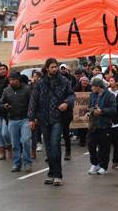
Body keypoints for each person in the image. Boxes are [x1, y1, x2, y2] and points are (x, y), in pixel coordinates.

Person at [28, 58, 76, 186]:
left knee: (55, 144)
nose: (55, 69)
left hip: (58, 117)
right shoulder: (40, 83)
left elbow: (72, 95)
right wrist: (31, 119)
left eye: (56, 67)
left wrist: (66, 103)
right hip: (43, 118)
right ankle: (51, 174)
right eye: (53, 67)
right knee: (48, 147)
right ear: (47, 68)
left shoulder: (64, 81)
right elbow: (34, 101)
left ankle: (58, 175)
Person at [0, 71, 32, 172]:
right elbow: (1, 103)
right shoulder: (7, 91)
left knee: (26, 140)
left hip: (25, 119)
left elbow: (32, 104)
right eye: (10, 80)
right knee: (15, 143)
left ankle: (27, 162)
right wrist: (4, 106)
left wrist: (33, 117)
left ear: (18, 79)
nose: (12, 82)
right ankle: (17, 163)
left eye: (13, 79)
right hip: (12, 119)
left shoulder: (27, 89)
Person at [85, 78, 116, 175]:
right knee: (90, 144)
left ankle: (103, 166)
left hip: (104, 125)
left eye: (93, 86)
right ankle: (95, 163)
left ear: (98, 86)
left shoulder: (109, 96)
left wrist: (102, 111)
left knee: (104, 146)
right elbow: (89, 107)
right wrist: (87, 113)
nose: (92, 88)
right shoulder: (92, 95)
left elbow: (113, 110)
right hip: (93, 125)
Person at [59, 63, 75, 160]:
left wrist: (67, 104)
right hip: (54, 113)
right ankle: (52, 154)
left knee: (65, 133)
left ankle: (68, 151)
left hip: (65, 112)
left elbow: (71, 95)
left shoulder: (66, 82)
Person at [73, 77, 92, 147]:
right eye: (83, 81)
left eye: (86, 81)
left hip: (87, 110)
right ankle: (82, 140)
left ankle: (86, 139)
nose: (85, 82)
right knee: (80, 125)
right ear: (80, 82)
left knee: (87, 125)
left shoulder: (90, 90)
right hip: (78, 110)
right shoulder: (75, 90)